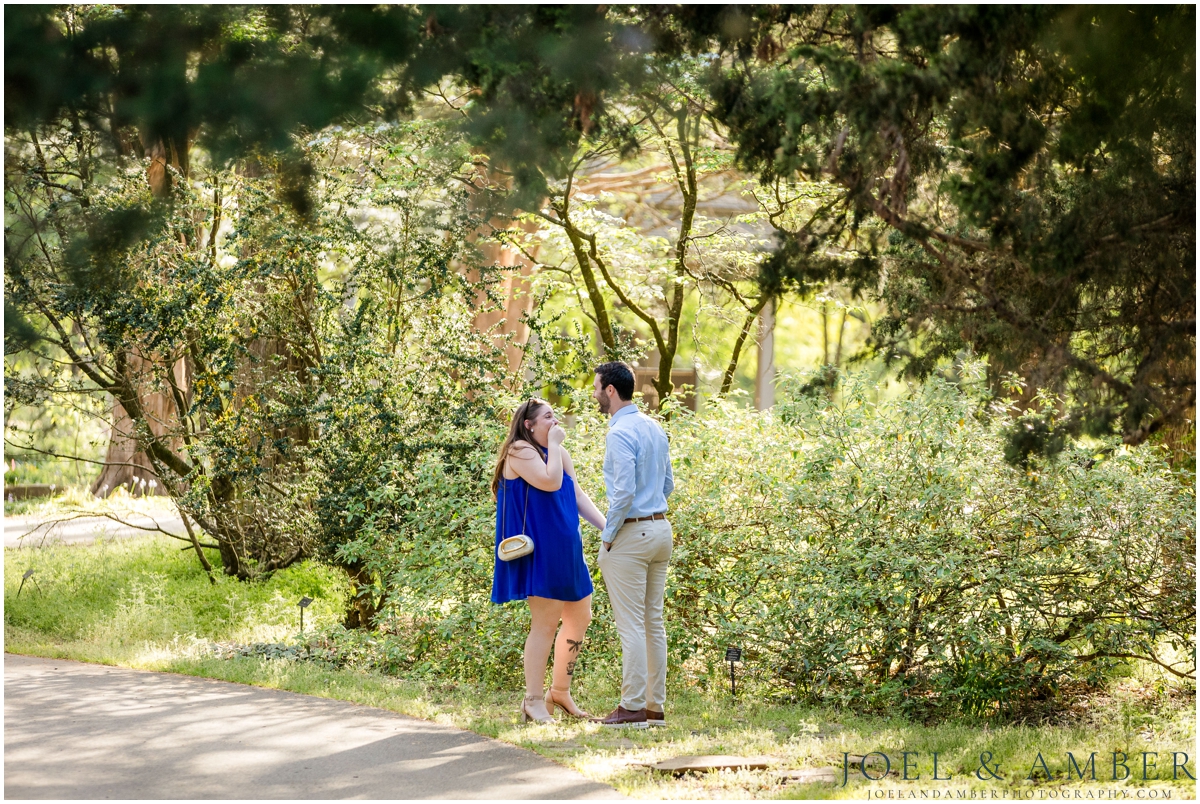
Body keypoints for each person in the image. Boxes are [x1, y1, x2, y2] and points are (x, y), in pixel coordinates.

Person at [491, 398, 607, 724]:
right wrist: (555, 446)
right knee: (545, 622)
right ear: (529, 424)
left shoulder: (556, 453)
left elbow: (577, 495)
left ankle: (560, 691)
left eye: (555, 416)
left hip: (567, 549)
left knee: (580, 615)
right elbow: (550, 481)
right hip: (540, 551)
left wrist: (609, 528)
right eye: (547, 417)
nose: (554, 422)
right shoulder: (520, 451)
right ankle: (532, 700)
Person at [591, 361, 675, 728]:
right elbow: (668, 484)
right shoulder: (655, 428)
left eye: (596, 387)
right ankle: (654, 707)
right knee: (653, 622)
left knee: (632, 626)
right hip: (661, 531)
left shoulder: (619, 433)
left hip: (633, 533)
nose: (594, 394)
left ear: (611, 390)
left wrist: (608, 537)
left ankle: (632, 707)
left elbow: (623, 492)